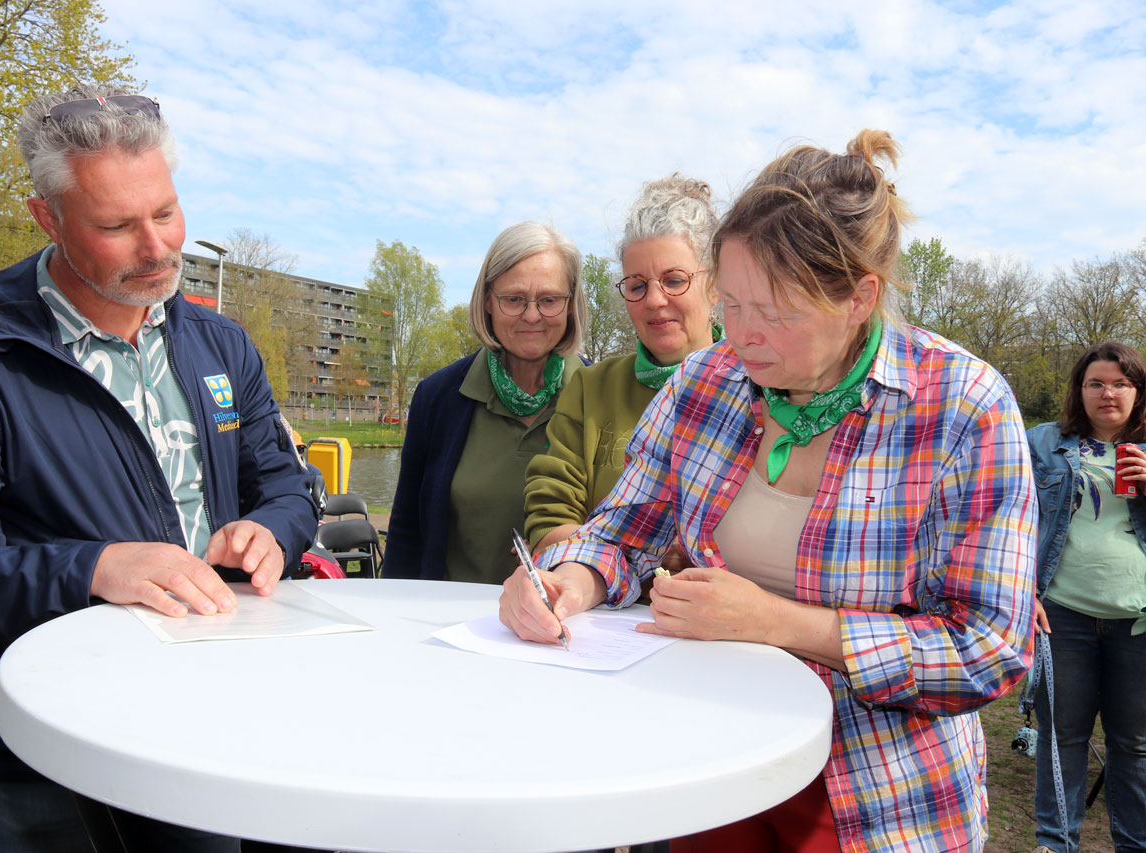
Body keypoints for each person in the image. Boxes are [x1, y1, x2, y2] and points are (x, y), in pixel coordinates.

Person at [499, 131, 1036, 852]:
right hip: (713, 761)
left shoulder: (964, 407)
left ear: (858, 298)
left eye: (776, 312)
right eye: (733, 303)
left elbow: (989, 647)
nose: (741, 338)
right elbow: (622, 530)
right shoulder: (704, 380)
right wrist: (570, 579)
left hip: (883, 793)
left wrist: (782, 622)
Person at [0, 84, 318, 852]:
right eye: (115, 225)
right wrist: (93, 568)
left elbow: (282, 482)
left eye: (167, 213)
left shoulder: (221, 344)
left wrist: (271, 529)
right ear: (48, 217)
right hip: (47, 757)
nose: (158, 248)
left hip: (215, 722)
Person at [524, 173, 719, 552]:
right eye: (637, 285)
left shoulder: (765, 386)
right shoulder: (591, 388)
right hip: (602, 607)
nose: (655, 300)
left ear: (715, 284)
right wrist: (654, 559)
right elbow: (548, 522)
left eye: (674, 280)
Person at [386, 221, 587, 583]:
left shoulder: (598, 396)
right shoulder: (437, 398)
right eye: (513, 299)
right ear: (486, 302)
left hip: (573, 628)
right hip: (452, 626)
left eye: (549, 299)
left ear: (571, 305)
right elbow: (406, 530)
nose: (531, 315)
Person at [1028, 341, 1146, 853]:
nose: (1108, 393)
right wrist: (1022, 592)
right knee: (1062, 740)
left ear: (1138, 392)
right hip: (1061, 616)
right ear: (1080, 390)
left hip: (1139, 622)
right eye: (1096, 382)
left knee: (1135, 746)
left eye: (1121, 383)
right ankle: (1056, 844)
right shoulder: (1042, 443)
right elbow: (1006, 521)